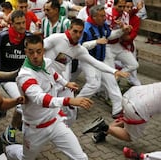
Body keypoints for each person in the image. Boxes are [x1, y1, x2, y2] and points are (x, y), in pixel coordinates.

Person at [5, 35, 93, 160]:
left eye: (39, 51)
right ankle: (7, 152)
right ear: (25, 52)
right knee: (26, 159)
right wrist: (69, 101)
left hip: (55, 122)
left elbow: (53, 73)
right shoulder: (24, 76)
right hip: (35, 129)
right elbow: (39, 99)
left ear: (43, 50)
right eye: (31, 52)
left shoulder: (45, 61)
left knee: (81, 159)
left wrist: (65, 82)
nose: (36, 56)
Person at [43, 18, 129, 126]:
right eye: (75, 31)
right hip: (46, 80)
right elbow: (37, 49)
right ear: (69, 29)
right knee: (42, 110)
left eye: (80, 32)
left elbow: (95, 63)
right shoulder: (56, 38)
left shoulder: (79, 49)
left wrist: (114, 71)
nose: (78, 35)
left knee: (71, 112)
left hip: (62, 83)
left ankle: (64, 130)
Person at [76, 4, 126, 143]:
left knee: (112, 82)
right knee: (94, 84)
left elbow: (109, 35)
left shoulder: (102, 25)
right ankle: (73, 106)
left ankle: (117, 109)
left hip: (101, 59)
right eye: (102, 16)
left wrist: (122, 30)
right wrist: (95, 42)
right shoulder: (86, 28)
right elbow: (79, 46)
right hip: (88, 60)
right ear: (94, 16)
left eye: (104, 15)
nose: (105, 18)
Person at [0, 10, 31, 145]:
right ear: (11, 24)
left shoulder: (29, 37)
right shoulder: (2, 36)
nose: (22, 26)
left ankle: (21, 123)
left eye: (24, 22)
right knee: (21, 105)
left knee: (31, 103)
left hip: (25, 77)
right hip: (7, 78)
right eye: (18, 23)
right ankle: (10, 132)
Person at [83, 82, 161, 146]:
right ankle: (103, 127)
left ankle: (102, 133)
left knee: (127, 118)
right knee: (130, 136)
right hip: (138, 107)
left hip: (131, 94)